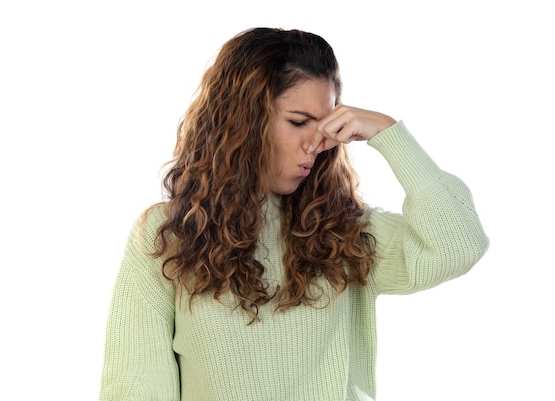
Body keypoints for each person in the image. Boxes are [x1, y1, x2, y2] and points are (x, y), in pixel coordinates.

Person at [99, 27, 489, 401]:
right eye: (299, 122)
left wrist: (388, 133)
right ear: (243, 120)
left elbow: (459, 245)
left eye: (326, 126)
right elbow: (135, 388)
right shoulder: (168, 236)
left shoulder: (347, 232)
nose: (317, 143)